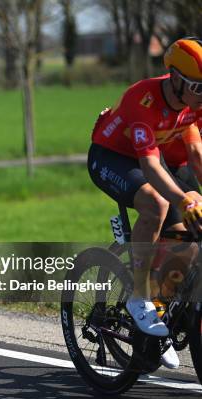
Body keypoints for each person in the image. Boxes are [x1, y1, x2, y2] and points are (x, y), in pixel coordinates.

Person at [87, 37, 202, 369]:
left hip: (149, 158)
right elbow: (151, 169)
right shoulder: (144, 98)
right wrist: (182, 197)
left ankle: (160, 308)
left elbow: (195, 155)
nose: (201, 94)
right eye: (197, 86)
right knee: (157, 203)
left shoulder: (191, 103)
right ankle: (139, 296)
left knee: (187, 239)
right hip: (112, 157)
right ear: (176, 78)